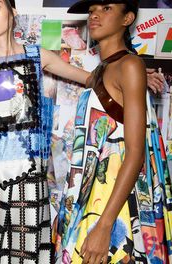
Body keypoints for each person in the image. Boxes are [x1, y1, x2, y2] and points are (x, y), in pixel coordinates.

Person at [0, 0, 167, 263]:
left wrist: (138, 75)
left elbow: (93, 79)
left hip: (30, 181)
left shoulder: (38, 56)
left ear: (13, 12)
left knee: (28, 256)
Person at [53, 0, 172, 263]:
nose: (95, 14)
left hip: (113, 206)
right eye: (92, 9)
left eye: (106, 8)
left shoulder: (129, 65)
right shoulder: (102, 70)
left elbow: (135, 153)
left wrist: (105, 226)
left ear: (127, 18)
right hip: (91, 197)